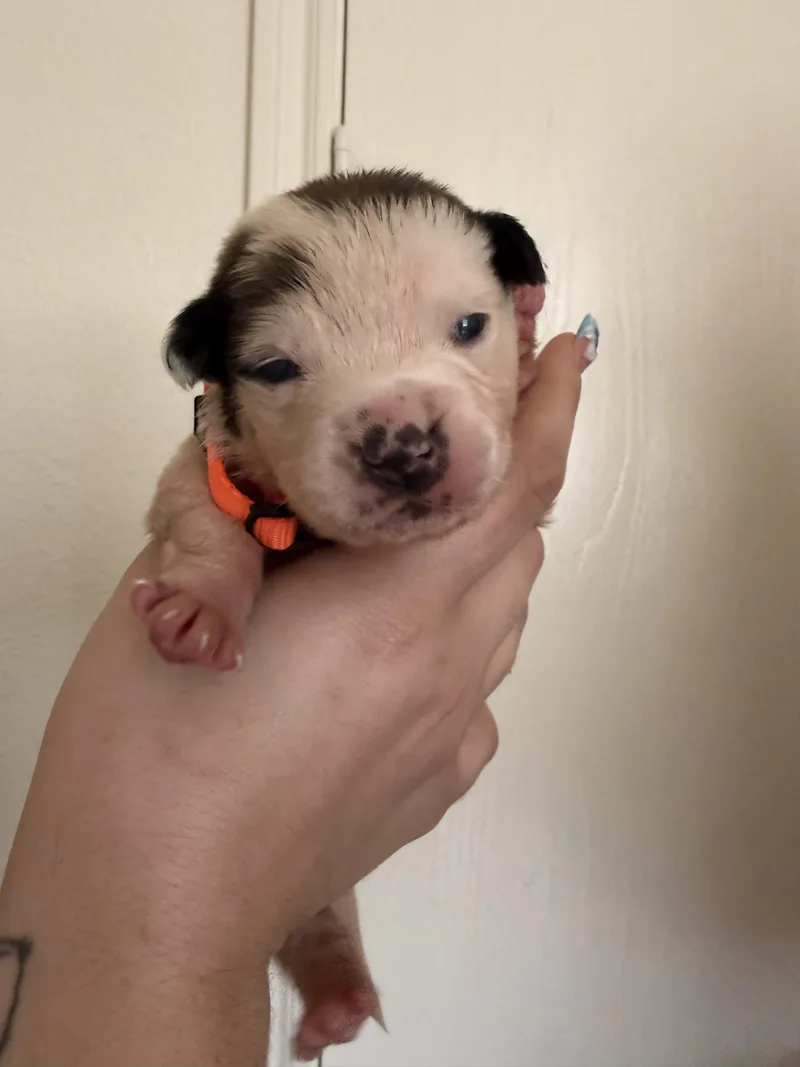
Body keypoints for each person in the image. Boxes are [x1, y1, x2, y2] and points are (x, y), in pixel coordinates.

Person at [0, 332, 590, 1065]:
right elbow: (196, 489)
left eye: (465, 330)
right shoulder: (227, 451)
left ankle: (326, 960)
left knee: (305, 828)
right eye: (283, 367)